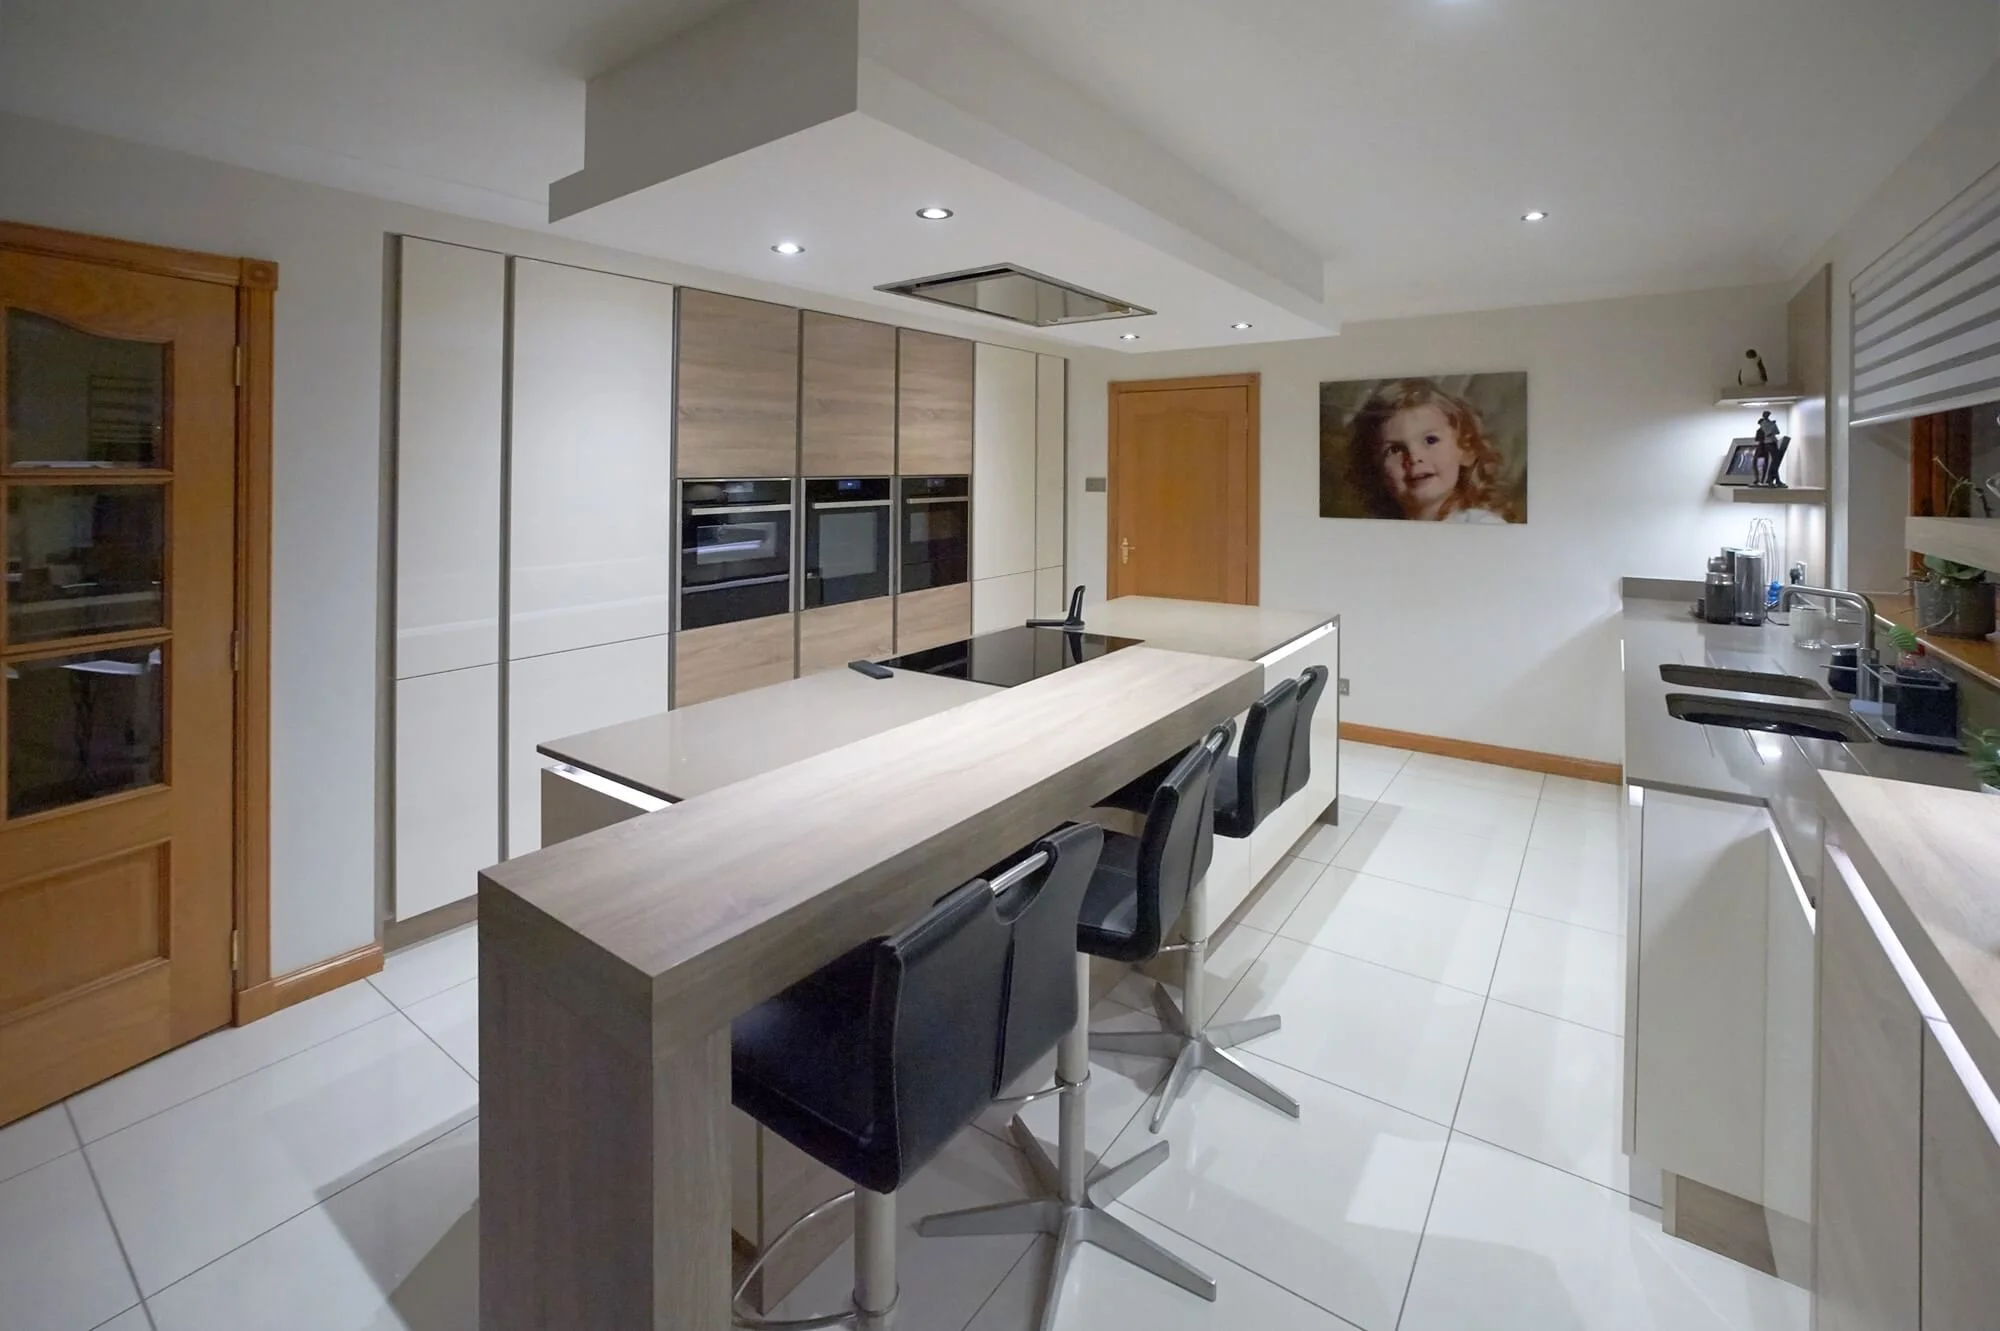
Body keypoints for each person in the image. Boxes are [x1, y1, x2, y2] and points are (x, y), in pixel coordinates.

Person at [1342, 378, 1520, 522]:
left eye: (1430, 440)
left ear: (1467, 450)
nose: (1413, 457)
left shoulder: (1478, 524)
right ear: (1375, 470)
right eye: (1395, 449)